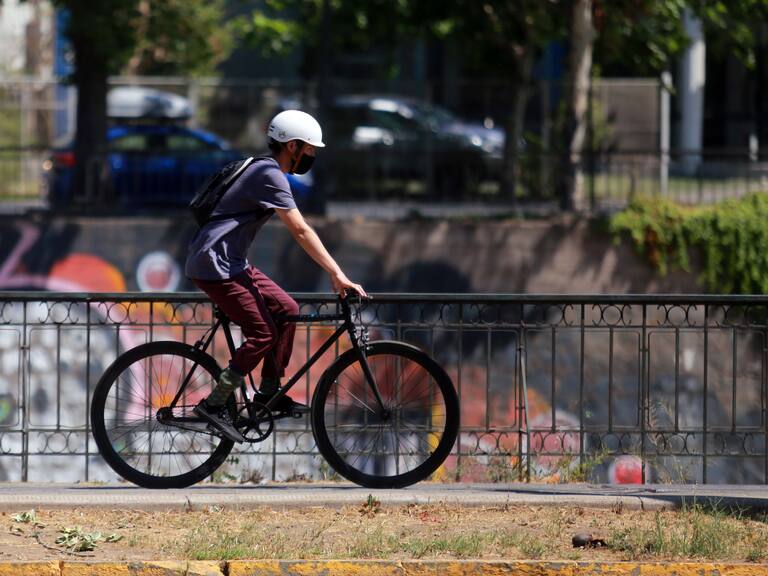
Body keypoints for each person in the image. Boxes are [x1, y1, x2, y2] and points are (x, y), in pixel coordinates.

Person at [185, 109, 367, 443]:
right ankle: (214, 403)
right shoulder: (269, 174)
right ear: (292, 146)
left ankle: (269, 392)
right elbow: (300, 229)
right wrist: (337, 274)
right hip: (215, 265)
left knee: (287, 309)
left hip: (230, 263)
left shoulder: (263, 169)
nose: (312, 156)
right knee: (262, 333)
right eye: (309, 149)